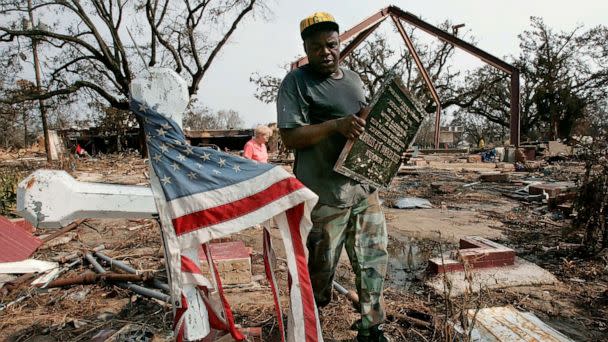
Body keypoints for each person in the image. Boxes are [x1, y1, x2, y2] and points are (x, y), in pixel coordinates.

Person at [276, 12, 389, 342]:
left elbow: (368, 123)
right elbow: (291, 137)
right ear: (306, 49)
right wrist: (335, 125)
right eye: (316, 47)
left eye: (331, 45)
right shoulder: (296, 83)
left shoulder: (354, 80)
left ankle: (371, 328)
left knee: (373, 262)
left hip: (363, 190)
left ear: (340, 44)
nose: (325, 52)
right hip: (325, 196)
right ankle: (311, 327)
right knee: (319, 271)